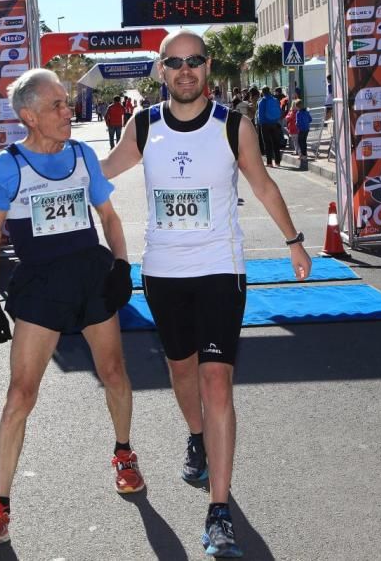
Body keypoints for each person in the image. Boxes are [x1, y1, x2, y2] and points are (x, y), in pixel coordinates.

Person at [101, 29, 311, 558]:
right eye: (174, 63)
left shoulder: (233, 125)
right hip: (165, 272)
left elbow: (262, 183)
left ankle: (219, 510)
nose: (185, 70)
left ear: (208, 66)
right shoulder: (144, 125)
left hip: (221, 268)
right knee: (182, 371)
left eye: (194, 61)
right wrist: (46, 170)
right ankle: (196, 436)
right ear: (161, 70)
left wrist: (295, 242)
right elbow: (102, 175)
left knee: (217, 381)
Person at [0, 68, 143, 550]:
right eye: (58, 106)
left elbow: (108, 216)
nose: (69, 112)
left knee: (114, 374)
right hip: (41, 288)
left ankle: (124, 453)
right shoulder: (6, 167)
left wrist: (123, 266)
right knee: (19, 396)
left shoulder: (84, 156)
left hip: (90, 278)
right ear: (28, 116)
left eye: (68, 103)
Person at [256, 86, 284, 168]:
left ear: (263, 92)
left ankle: (269, 162)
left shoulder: (261, 101)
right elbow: (279, 110)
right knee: (276, 143)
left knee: (267, 144)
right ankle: (278, 162)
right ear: (269, 91)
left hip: (265, 124)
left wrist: (260, 124)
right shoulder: (275, 100)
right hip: (275, 123)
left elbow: (260, 115)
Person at [293, 99, 313, 171]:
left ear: (297, 106)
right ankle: (305, 154)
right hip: (306, 129)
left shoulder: (298, 113)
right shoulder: (307, 112)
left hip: (301, 129)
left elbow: (297, 122)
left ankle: (303, 155)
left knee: (300, 142)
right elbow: (310, 119)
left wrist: (297, 125)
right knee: (304, 141)